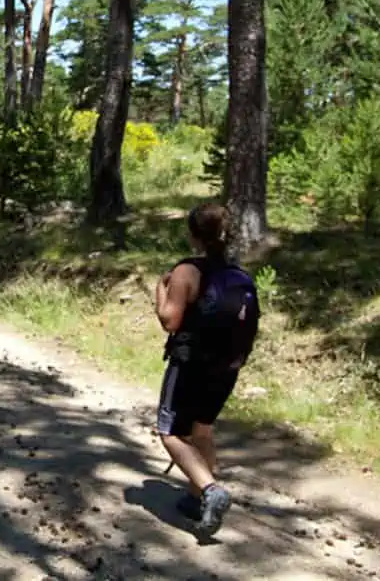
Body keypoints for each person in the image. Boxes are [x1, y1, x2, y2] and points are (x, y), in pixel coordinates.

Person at [153, 203, 260, 537]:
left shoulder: (186, 272)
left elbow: (170, 321)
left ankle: (211, 490)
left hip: (191, 365)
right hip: (227, 367)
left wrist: (160, 290)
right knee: (201, 430)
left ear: (192, 234)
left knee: (169, 431)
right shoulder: (238, 275)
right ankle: (197, 497)